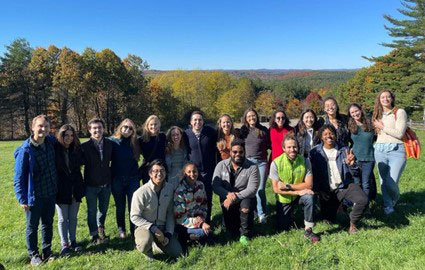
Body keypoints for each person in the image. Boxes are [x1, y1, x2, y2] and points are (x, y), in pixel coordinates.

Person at [14, 115, 58, 266]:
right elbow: (19, 177)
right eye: (40, 126)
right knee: (32, 227)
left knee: (48, 223)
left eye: (46, 126)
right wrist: (22, 199)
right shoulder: (26, 150)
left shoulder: (51, 143)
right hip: (34, 195)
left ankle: (47, 251)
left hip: (50, 192)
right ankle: (33, 254)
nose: (43, 129)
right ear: (32, 128)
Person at [310, 124, 368, 234]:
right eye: (325, 134)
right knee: (329, 220)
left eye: (331, 133)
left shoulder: (344, 150)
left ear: (335, 135)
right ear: (321, 137)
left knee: (363, 200)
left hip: (344, 187)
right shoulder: (315, 152)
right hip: (327, 191)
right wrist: (319, 191)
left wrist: (351, 165)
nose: (329, 136)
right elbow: (314, 174)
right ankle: (336, 211)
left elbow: (356, 173)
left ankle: (353, 223)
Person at [269, 134, 320, 243]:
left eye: (295, 147)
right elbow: (276, 189)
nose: (292, 150)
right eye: (289, 147)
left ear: (298, 147)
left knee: (309, 196)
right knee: (283, 228)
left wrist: (288, 186)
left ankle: (308, 229)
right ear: (283, 148)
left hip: (299, 195)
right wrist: (298, 191)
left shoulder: (305, 161)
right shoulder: (276, 163)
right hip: (284, 199)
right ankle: (287, 216)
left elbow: (309, 185)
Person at [130, 160, 182, 260]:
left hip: (162, 228)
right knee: (145, 242)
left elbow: (170, 213)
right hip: (144, 227)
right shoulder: (140, 192)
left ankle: (157, 245)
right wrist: (153, 228)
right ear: (150, 173)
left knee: (177, 252)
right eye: (155, 171)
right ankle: (147, 250)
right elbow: (134, 216)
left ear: (166, 173)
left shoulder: (170, 189)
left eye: (162, 170)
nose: (159, 174)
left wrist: (168, 234)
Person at [212, 139, 259, 245]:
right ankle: (229, 224)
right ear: (230, 152)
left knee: (245, 207)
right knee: (231, 229)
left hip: (245, 197)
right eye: (235, 152)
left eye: (241, 152)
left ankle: (245, 234)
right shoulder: (221, 165)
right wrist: (228, 195)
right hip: (227, 197)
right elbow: (215, 186)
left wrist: (235, 196)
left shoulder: (252, 167)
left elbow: (252, 188)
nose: (237, 154)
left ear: (244, 152)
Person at [372, 90, 407, 215]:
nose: (385, 99)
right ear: (379, 99)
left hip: (397, 150)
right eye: (382, 97)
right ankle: (388, 205)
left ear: (392, 98)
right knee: (383, 180)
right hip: (380, 150)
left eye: (388, 97)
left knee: (391, 181)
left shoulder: (400, 112)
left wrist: (382, 127)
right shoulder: (378, 115)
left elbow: (399, 134)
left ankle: (395, 198)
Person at [81, 118, 113, 244]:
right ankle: (94, 235)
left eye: (99, 127)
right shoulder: (84, 147)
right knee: (91, 210)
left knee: (103, 209)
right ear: (89, 130)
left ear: (103, 129)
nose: (97, 130)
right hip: (91, 185)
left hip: (106, 184)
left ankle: (101, 227)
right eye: (94, 128)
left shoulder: (110, 144)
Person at [55, 124, 84, 256]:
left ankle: (73, 241)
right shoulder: (55, 149)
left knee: (73, 217)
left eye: (72, 135)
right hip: (61, 189)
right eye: (66, 135)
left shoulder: (77, 149)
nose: (69, 138)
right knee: (62, 218)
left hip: (76, 187)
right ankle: (64, 244)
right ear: (61, 136)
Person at [184, 111, 217, 223]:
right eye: (195, 120)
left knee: (207, 197)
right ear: (191, 122)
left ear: (203, 121)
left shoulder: (210, 132)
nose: (197, 122)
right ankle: (195, 223)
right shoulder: (186, 134)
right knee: (193, 199)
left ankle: (207, 221)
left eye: (200, 120)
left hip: (208, 171)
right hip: (193, 173)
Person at [110, 119, 141, 240]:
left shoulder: (136, 142)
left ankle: (134, 229)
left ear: (133, 130)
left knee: (133, 207)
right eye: (124, 127)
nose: (127, 130)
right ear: (120, 128)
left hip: (133, 179)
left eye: (130, 128)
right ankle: (121, 229)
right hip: (117, 178)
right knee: (120, 206)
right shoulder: (113, 141)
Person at [239, 108, 270, 224]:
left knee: (260, 189)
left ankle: (262, 213)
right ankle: (256, 212)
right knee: (250, 189)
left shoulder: (263, 130)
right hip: (248, 163)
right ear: (246, 118)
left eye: (253, 116)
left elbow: (269, 144)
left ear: (257, 116)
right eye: (249, 116)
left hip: (261, 162)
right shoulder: (243, 131)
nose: (252, 118)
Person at [174, 163, 211, 254]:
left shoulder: (201, 185)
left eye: (194, 171)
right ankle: (184, 236)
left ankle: (195, 237)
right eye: (189, 172)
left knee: (207, 233)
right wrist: (200, 223)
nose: (192, 174)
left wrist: (202, 219)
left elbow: (204, 205)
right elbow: (180, 218)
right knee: (203, 234)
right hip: (182, 224)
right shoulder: (180, 191)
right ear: (184, 173)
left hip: (198, 221)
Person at [348, 104, 377, 203]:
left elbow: (377, 137)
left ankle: (365, 205)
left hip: (369, 158)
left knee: (366, 183)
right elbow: (349, 141)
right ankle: (358, 203)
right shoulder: (350, 126)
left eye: (356, 111)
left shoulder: (370, 123)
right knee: (357, 182)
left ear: (361, 110)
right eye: (352, 112)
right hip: (355, 158)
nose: (355, 114)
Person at [139, 115, 167, 184]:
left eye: (155, 124)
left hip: (161, 168)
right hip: (148, 170)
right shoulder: (141, 140)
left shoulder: (162, 136)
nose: (153, 127)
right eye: (151, 124)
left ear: (159, 125)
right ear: (147, 125)